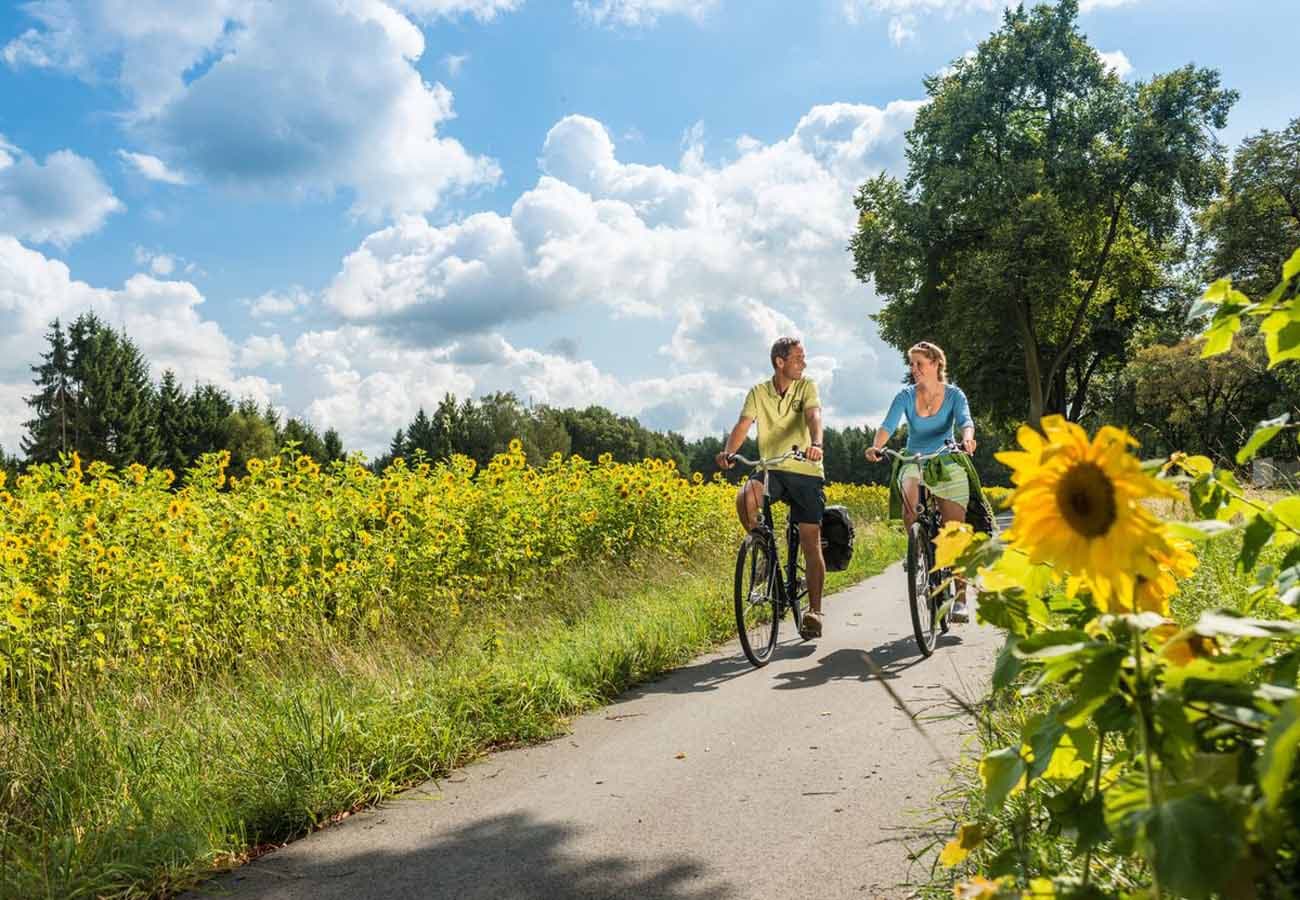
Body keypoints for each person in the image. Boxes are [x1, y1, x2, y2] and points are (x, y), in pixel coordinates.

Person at [715, 337, 828, 639]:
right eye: (798, 358)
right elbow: (743, 424)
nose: (803, 363)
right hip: (772, 469)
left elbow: (813, 415)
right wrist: (729, 451)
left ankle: (814, 612)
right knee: (745, 497)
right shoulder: (759, 392)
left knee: (809, 540)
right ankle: (764, 554)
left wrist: (816, 444)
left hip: (805, 470)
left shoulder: (807, 387)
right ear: (780, 362)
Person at [865, 341, 978, 622]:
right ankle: (917, 549)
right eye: (911, 364)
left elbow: (966, 420)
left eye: (919, 364)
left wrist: (967, 439)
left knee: (955, 533)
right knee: (909, 502)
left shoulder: (954, 395)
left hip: (946, 458)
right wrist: (876, 445)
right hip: (914, 458)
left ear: (936, 364)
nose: (913, 369)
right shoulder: (905, 395)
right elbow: (888, 425)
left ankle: (961, 599)